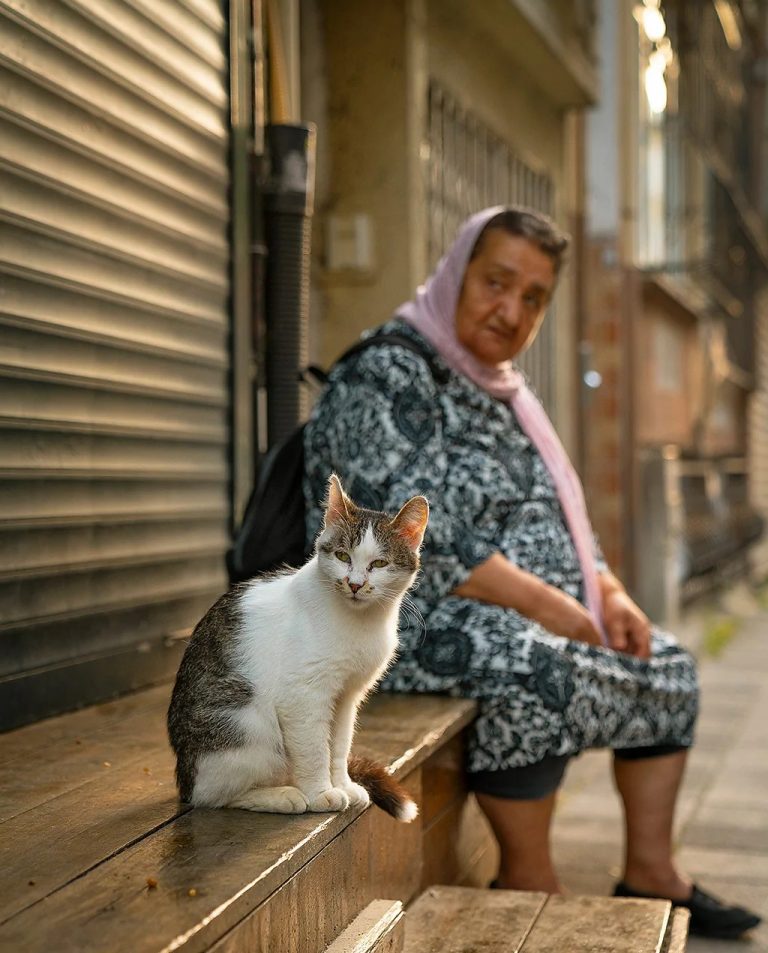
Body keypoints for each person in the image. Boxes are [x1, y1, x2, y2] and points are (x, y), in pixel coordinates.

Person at [303, 206, 761, 940]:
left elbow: (560, 511)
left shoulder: (500, 387)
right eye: (496, 282)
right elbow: (411, 541)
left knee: (666, 661)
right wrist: (553, 607)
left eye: (533, 297)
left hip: (523, 608)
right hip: (400, 616)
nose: (511, 309)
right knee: (533, 663)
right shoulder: (387, 372)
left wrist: (609, 595)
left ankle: (652, 871)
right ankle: (527, 874)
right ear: (457, 272)